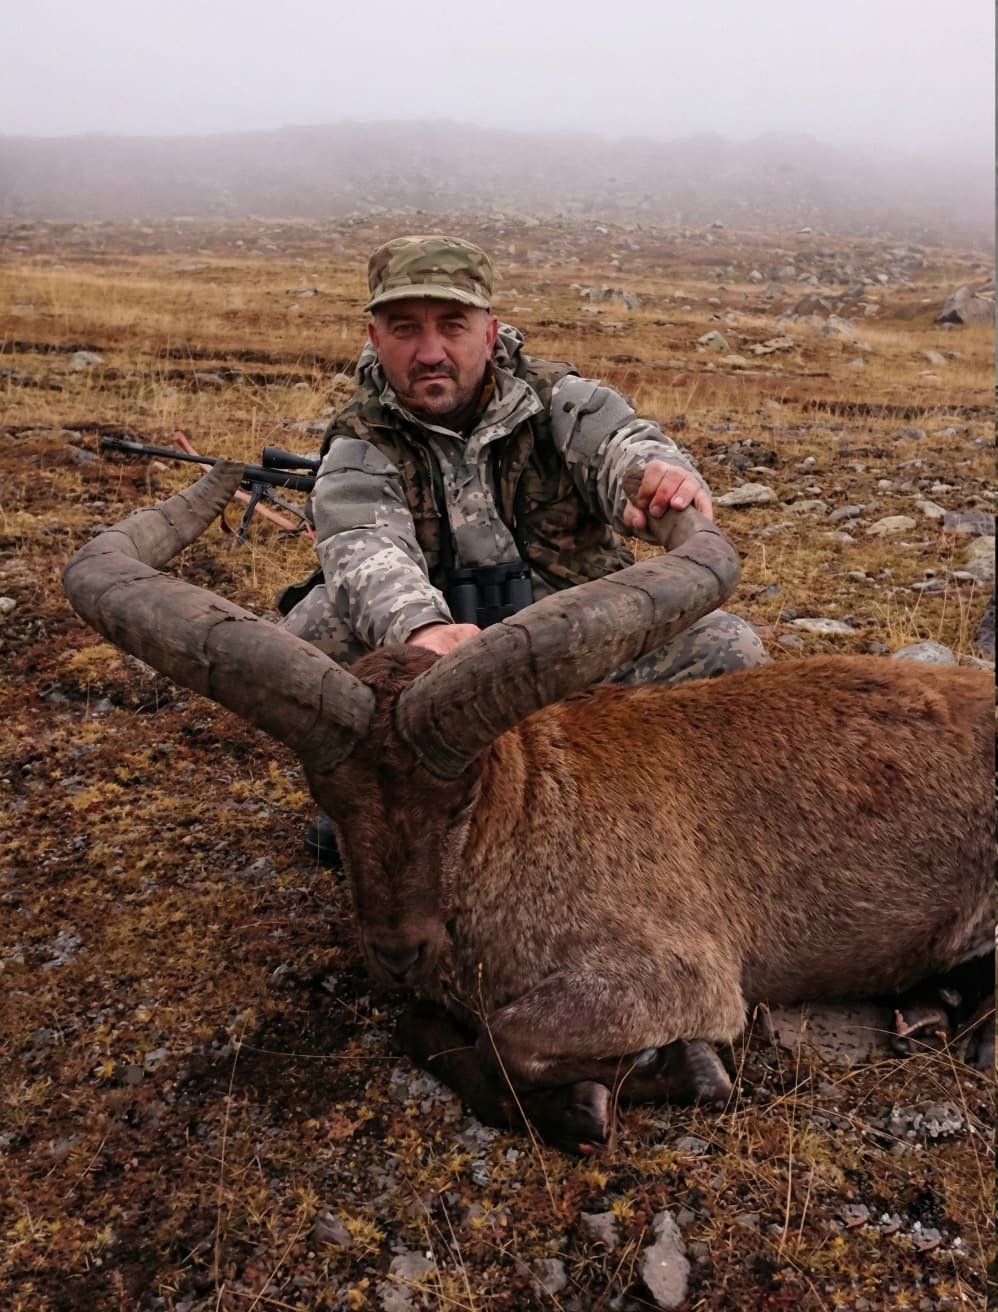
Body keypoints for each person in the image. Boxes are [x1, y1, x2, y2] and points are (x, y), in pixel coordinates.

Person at [278, 234, 768, 863]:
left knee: (727, 647)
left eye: (452, 326)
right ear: (376, 338)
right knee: (310, 633)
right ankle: (380, 800)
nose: (431, 352)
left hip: (573, 659)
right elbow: (362, 546)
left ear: (490, 332)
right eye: (406, 329)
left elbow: (624, 442)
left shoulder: (564, 403)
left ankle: (666, 812)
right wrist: (422, 631)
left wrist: (656, 476)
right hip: (436, 683)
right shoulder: (355, 444)